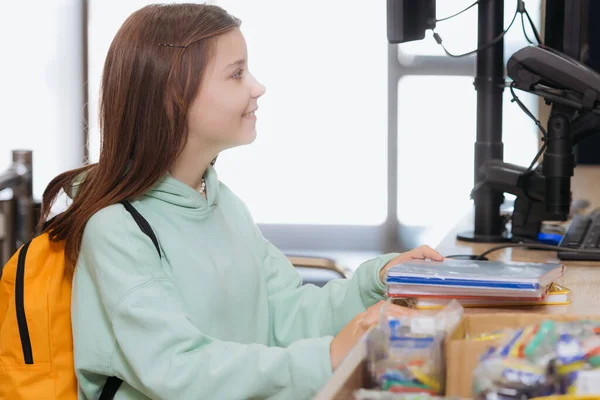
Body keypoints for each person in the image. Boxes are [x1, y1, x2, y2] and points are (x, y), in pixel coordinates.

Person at [39, 4, 444, 399]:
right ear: (172, 97)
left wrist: (376, 282)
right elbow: (179, 370)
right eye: (236, 74)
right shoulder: (117, 229)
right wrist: (327, 356)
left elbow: (286, 313)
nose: (257, 87)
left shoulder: (222, 203)